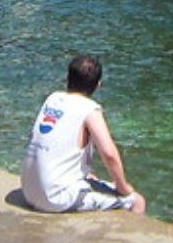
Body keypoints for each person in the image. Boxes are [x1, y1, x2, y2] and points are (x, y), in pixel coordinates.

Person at [19, 54, 145, 215]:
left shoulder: (53, 99)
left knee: (92, 179)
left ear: (67, 79)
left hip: (28, 191)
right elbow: (109, 154)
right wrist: (123, 188)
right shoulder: (90, 109)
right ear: (98, 85)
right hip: (55, 198)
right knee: (137, 201)